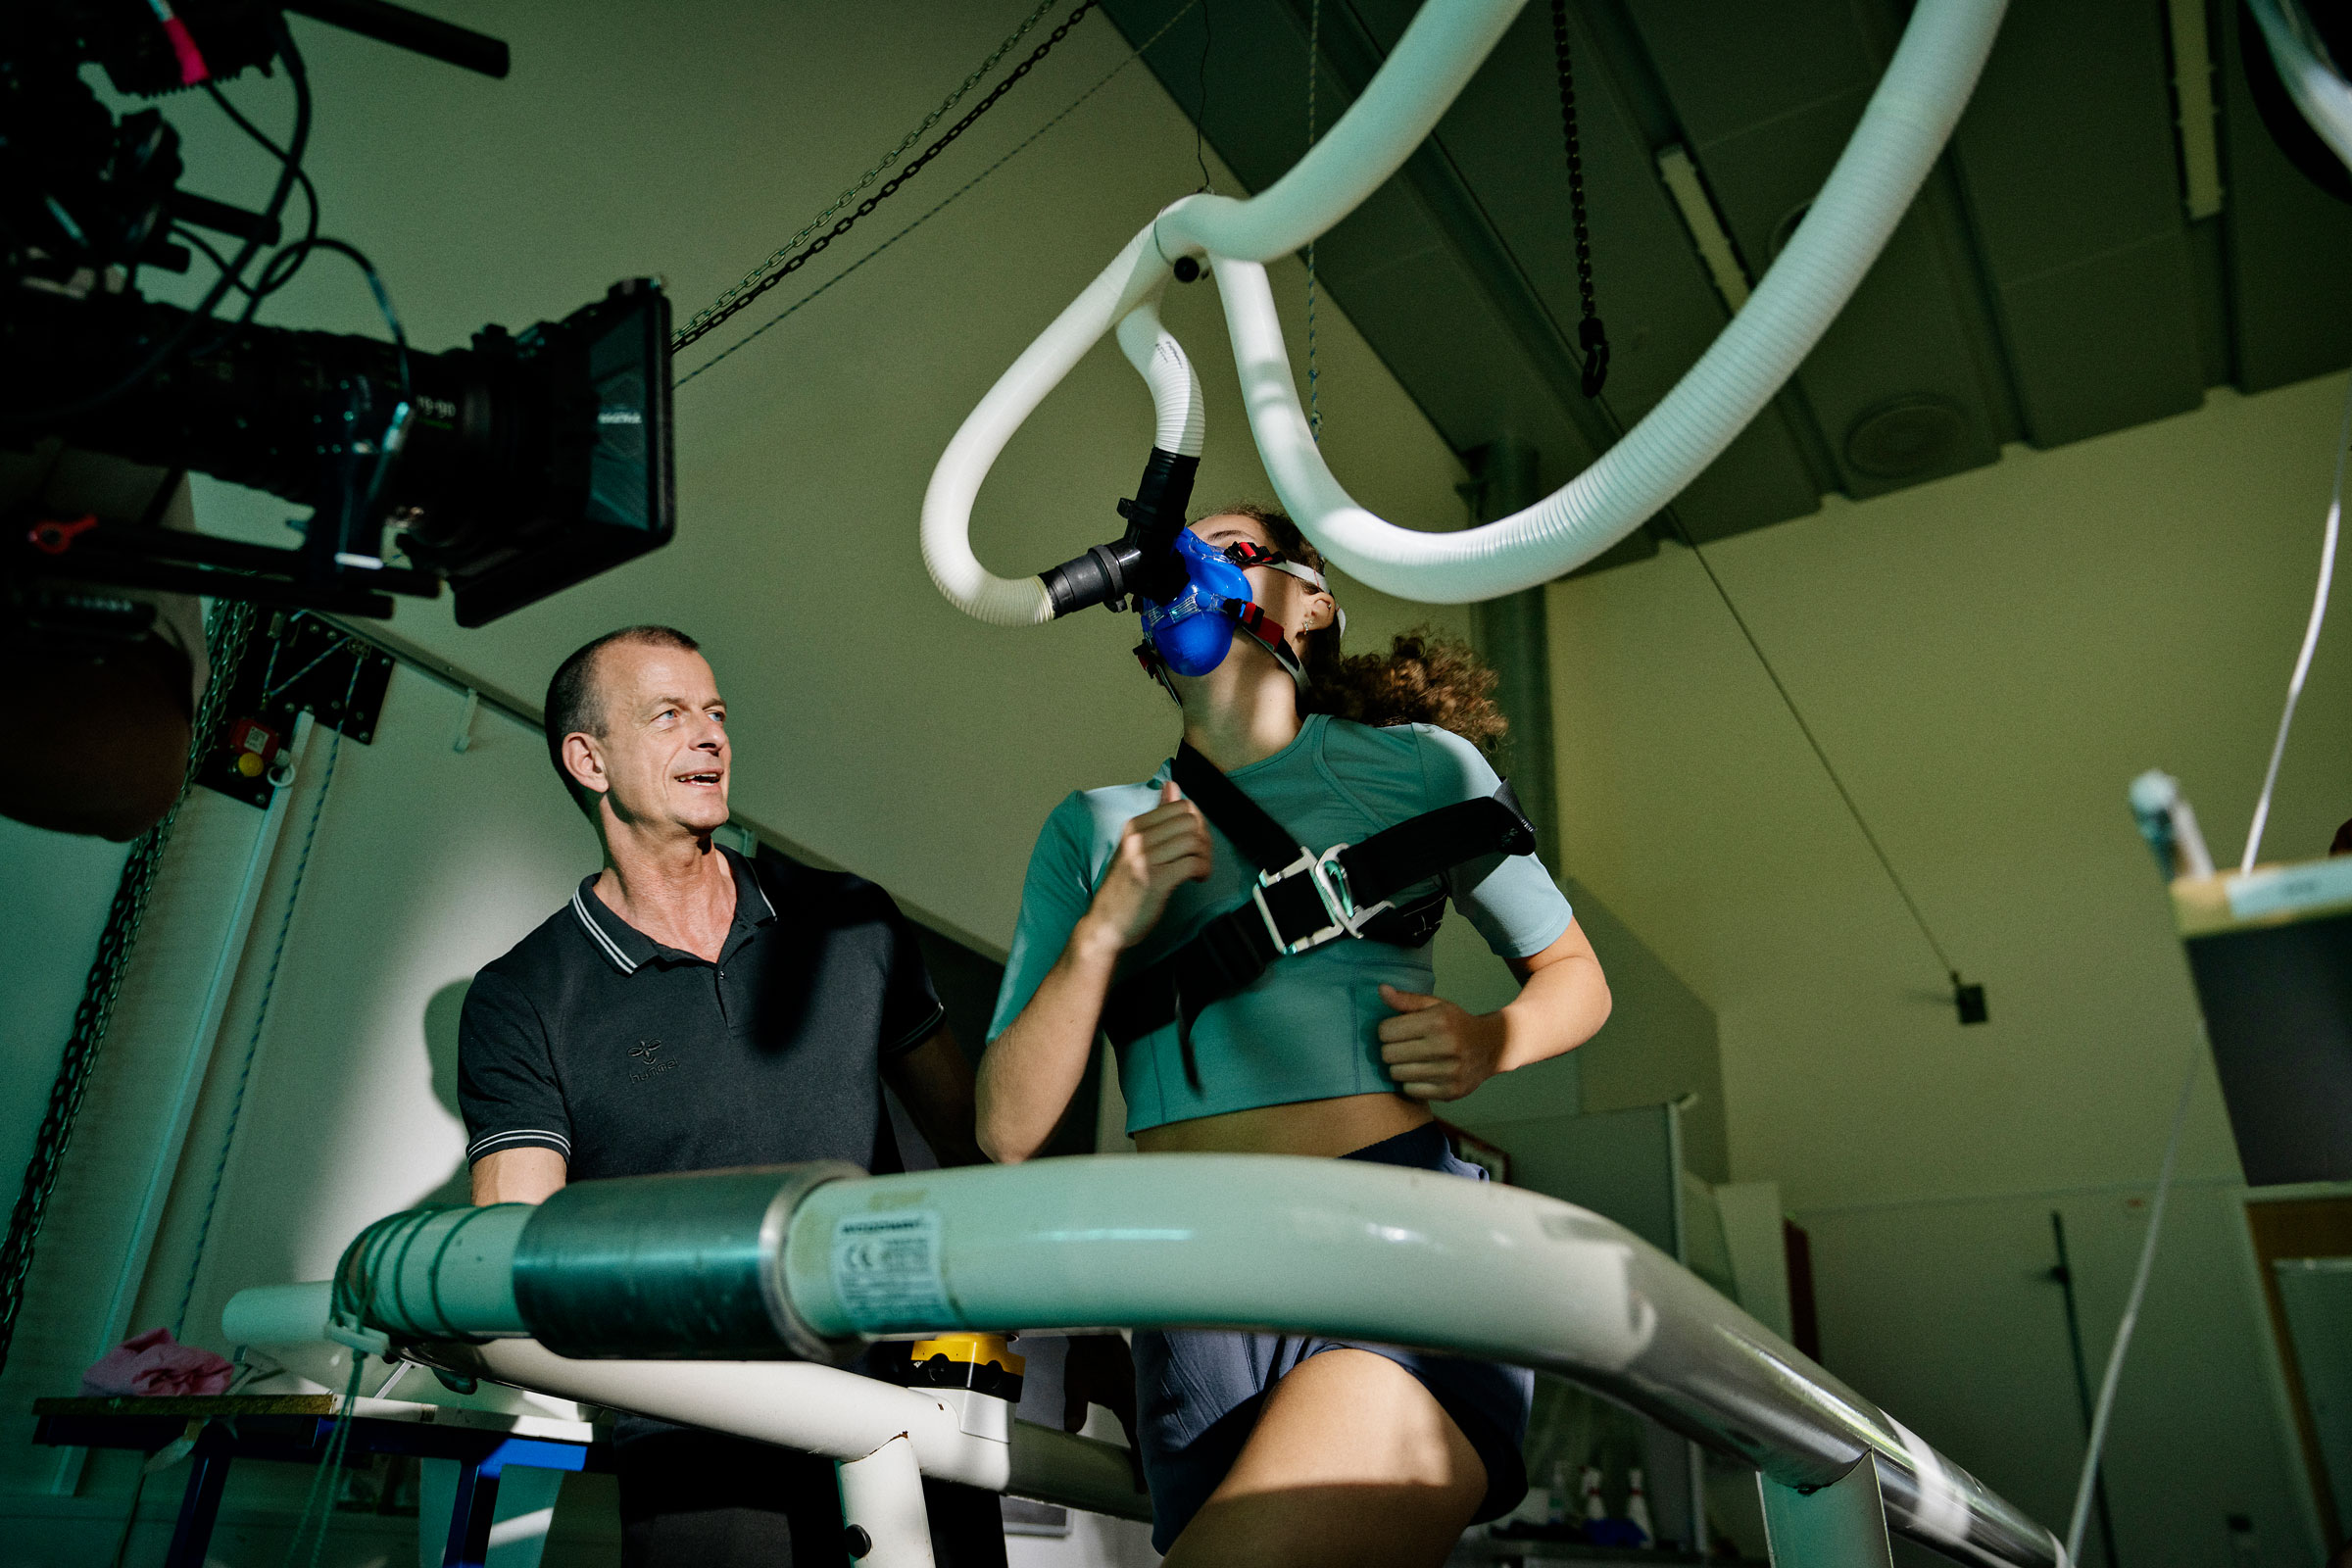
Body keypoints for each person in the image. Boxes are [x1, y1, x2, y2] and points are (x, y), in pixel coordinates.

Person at [979, 505, 1614, 1568]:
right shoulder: (1092, 830)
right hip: (1188, 1299)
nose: (1187, 564)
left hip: (1393, 1249)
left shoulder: (1419, 768)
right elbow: (1006, 1128)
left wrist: (1488, 1041)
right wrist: (1100, 936)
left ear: (1311, 601)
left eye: (1229, 548)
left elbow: (1577, 979)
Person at [457, 624, 1001, 1568]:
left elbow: (981, 1143)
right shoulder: (523, 997)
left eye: (715, 714)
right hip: (695, 1442)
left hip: (908, 1416)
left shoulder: (849, 920)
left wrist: (1087, 1327)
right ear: (588, 759)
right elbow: (520, 1249)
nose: (710, 737)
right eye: (668, 716)